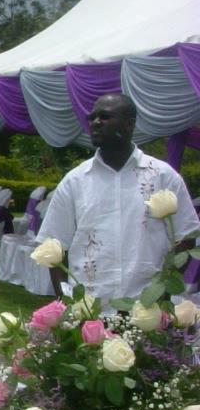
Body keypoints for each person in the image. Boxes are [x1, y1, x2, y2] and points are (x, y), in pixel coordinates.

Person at [36, 93, 199, 301]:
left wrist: (161, 292)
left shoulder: (163, 177)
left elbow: (187, 236)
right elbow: (54, 245)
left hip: (145, 310)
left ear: (129, 124)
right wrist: (68, 303)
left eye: (105, 117)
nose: (95, 122)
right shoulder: (75, 181)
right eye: (92, 117)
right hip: (89, 313)